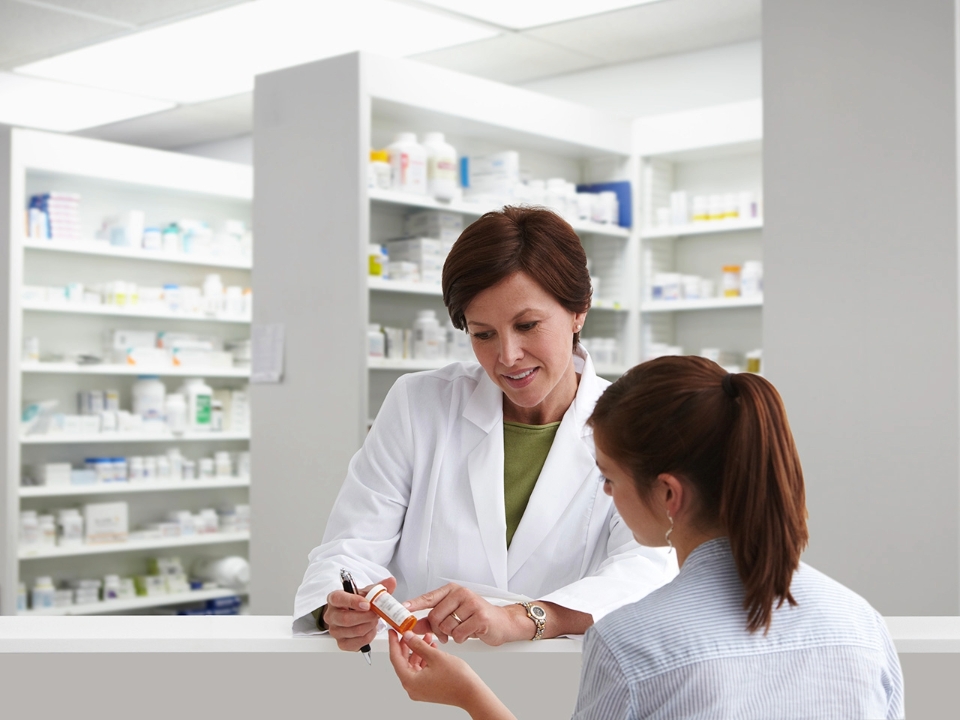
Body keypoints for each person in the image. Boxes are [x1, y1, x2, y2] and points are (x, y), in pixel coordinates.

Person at [388, 356, 905, 720]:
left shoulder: (631, 644)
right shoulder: (861, 625)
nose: (607, 494)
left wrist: (468, 695)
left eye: (609, 478)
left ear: (668, 495)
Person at [293, 206, 675, 647]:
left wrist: (524, 617)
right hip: (424, 679)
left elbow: (647, 568)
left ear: (578, 312)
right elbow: (349, 548)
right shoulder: (419, 404)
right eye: (483, 334)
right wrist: (340, 606)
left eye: (527, 325)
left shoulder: (636, 423)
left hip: (566, 683)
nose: (508, 355)